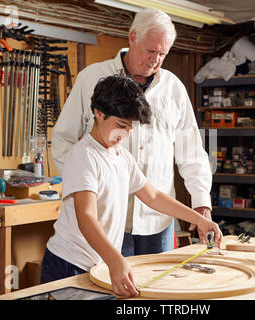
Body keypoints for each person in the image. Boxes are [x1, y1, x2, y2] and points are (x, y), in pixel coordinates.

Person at [51, 8, 213, 257]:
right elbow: (63, 140)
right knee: (112, 289)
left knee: (156, 289)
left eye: (163, 54)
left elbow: (191, 150)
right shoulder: (91, 78)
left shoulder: (173, 88)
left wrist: (201, 201)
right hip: (107, 218)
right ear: (132, 37)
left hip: (158, 218)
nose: (155, 60)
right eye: (151, 51)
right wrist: (86, 187)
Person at [41, 75, 222, 297]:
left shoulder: (121, 156)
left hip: (99, 263)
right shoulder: (84, 155)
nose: (125, 134)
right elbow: (86, 217)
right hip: (70, 264)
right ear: (98, 112)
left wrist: (200, 219)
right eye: (121, 125)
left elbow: (153, 196)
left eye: (131, 128)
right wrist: (116, 260)